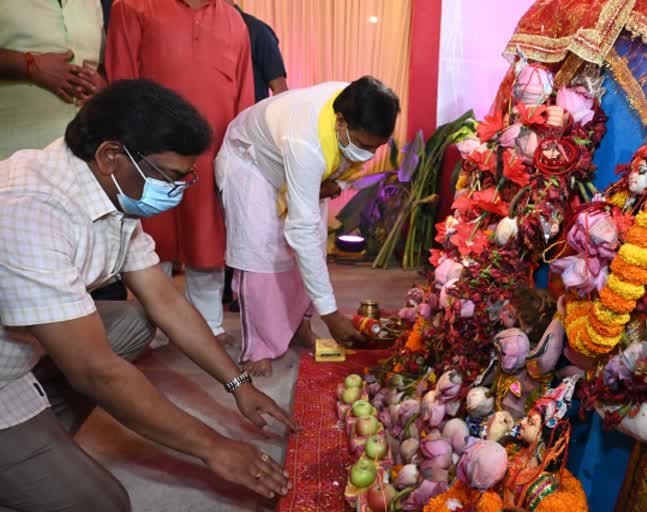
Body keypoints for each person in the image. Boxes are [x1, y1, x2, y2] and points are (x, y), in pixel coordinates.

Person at [0, 80, 298, 511]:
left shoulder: (110, 188)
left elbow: (167, 301)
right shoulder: (29, 209)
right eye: (172, 177)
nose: (178, 189)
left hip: (24, 345)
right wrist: (213, 446)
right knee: (104, 504)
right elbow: (96, 372)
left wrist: (238, 384)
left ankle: (40, 434)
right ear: (110, 156)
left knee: (137, 321)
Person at [215, 76, 399, 376]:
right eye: (364, 145)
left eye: (376, 148)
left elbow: (343, 169)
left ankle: (300, 329)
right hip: (251, 162)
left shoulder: (355, 105)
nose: (368, 155)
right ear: (341, 122)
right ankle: (258, 347)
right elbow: (300, 232)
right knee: (261, 253)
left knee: (312, 244)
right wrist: (331, 314)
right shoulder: (307, 142)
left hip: (294, 162)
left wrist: (335, 183)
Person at [106, 0, 256, 345]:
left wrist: (239, 157)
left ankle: (210, 326)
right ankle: (149, 328)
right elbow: (121, 79)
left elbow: (244, 97)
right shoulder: (133, 6)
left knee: (208, 241)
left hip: (213, 153)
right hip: (150, 152)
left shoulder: (234, 21)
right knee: (150, 241)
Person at [222, 0, 289, 310]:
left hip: (251, 141)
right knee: (220, 214)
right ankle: (227, 285)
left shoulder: (257, 31)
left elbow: (280, 88)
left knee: (247, 214)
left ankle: (243, 287)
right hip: (217, 133)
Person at [0, 0, 107, 160]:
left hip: (82, 158)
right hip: (11, 155)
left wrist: (101, 87)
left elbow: (98, 63)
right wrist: (28, 66)